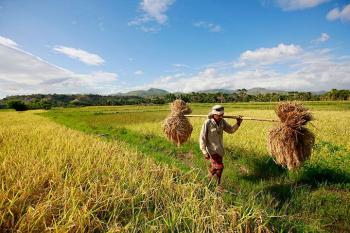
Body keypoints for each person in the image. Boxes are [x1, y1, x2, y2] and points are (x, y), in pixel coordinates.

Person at [199, 105, 243, 190]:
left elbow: (230, 130)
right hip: (211, 150)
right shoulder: (208, 123)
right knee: (220, 167)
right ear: (213, 114)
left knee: (215, 168)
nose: (221, 116)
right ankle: (218, 185)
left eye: (222, 114)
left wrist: (238, 123)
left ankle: (208, 178)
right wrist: (204, 151)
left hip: (220, 150)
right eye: (219, 115)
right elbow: (202, 137)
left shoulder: (222, 121)